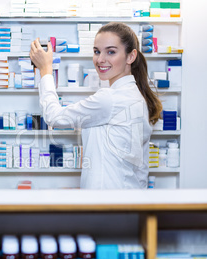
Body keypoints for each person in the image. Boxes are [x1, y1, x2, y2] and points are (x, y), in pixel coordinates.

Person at [29, 22, 162, 189]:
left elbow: (54, 117)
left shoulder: (111, 99)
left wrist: (46, 71)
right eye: (96, 51)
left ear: (131, 56)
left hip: (108, 205)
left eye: (111, 52)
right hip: (128, 200)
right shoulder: (136, 95)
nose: (100, 59)